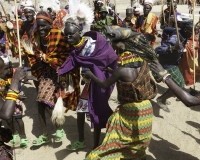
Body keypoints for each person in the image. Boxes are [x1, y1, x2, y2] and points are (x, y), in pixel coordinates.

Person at [59, 1, 118, 150]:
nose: (68, 38)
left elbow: (110, 61)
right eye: (66, 35)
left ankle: (96, 146)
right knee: (81, 111)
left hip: (100, 81)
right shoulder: (75, 50)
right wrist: (60, 73)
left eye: (71, 35)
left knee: (97, 111)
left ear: (80, 32)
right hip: (89, 83)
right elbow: (70, 62)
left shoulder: (96, 44)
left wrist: (97, 73)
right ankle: (81, 140)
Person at [83, 51, 157, 160]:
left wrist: (91, 75)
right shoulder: (144, 66)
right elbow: (131, 78)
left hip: (130, 111)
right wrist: (113, 72)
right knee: (139, 140)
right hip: (146, 109)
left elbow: (104, 84)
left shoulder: (120, 71)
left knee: (119, 140)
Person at [22, 11, 80, 146]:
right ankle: (45, 135)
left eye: (44, 26)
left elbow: (68, 55)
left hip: (61, 72)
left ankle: (58, 129)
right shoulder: (36, 36)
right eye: (38, 25)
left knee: (48, 102)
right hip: (46, 72)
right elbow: (33, 53)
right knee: (41, 102)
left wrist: (49, 59)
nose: (41, 29)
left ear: (50, 24)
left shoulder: (59, 35)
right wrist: (38, 58)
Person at [155, 20, 193, 112]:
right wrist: (172, 48)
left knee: (178, 84)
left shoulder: (180, 30)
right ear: (185, 29)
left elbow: (166, 29)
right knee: (179, 86)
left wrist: (165, 31)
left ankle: (163, 97)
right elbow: (158, 50)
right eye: (191, 31)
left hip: (173, 63)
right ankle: (161, 99)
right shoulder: (175, 38)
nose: (192, 33)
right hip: (167, 64)